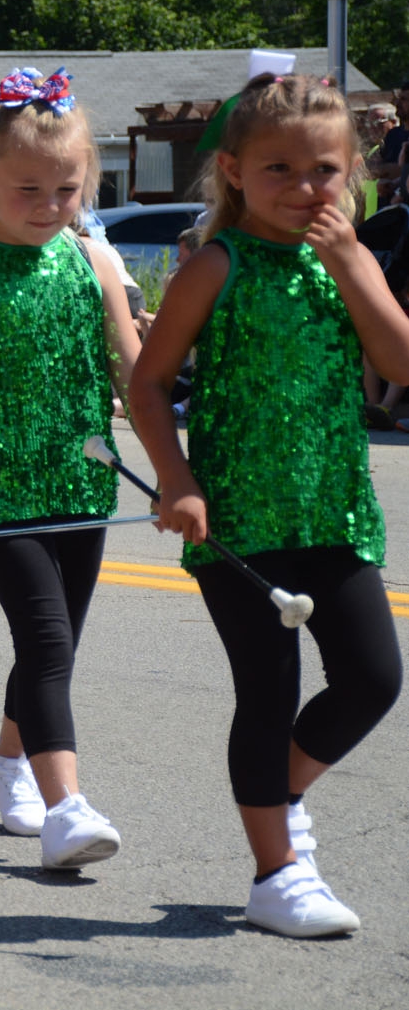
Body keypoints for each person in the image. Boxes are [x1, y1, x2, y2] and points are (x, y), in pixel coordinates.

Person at [131, 74, 409, 938]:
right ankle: (276, 872)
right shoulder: (216, 263)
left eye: (324, 168)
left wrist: (354, 262)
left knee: (373, 677)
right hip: (238, 520)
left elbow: (399, 364)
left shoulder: (349, 260)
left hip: (334, 512)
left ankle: (278, 797)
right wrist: (177, 479)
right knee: (269, 689)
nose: (304, 187)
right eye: (278, 168)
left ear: (352, 171)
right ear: (234, 171)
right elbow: (149, 383)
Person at [0, 68, 139, 869]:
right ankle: (66, 807)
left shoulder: (94, 263)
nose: (49, 205)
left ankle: (7, 760)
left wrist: (184, 474)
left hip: (82, 486)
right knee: (45, 639)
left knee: (56, 645)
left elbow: (136, 378)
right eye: (28, 189)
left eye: (67, 189)